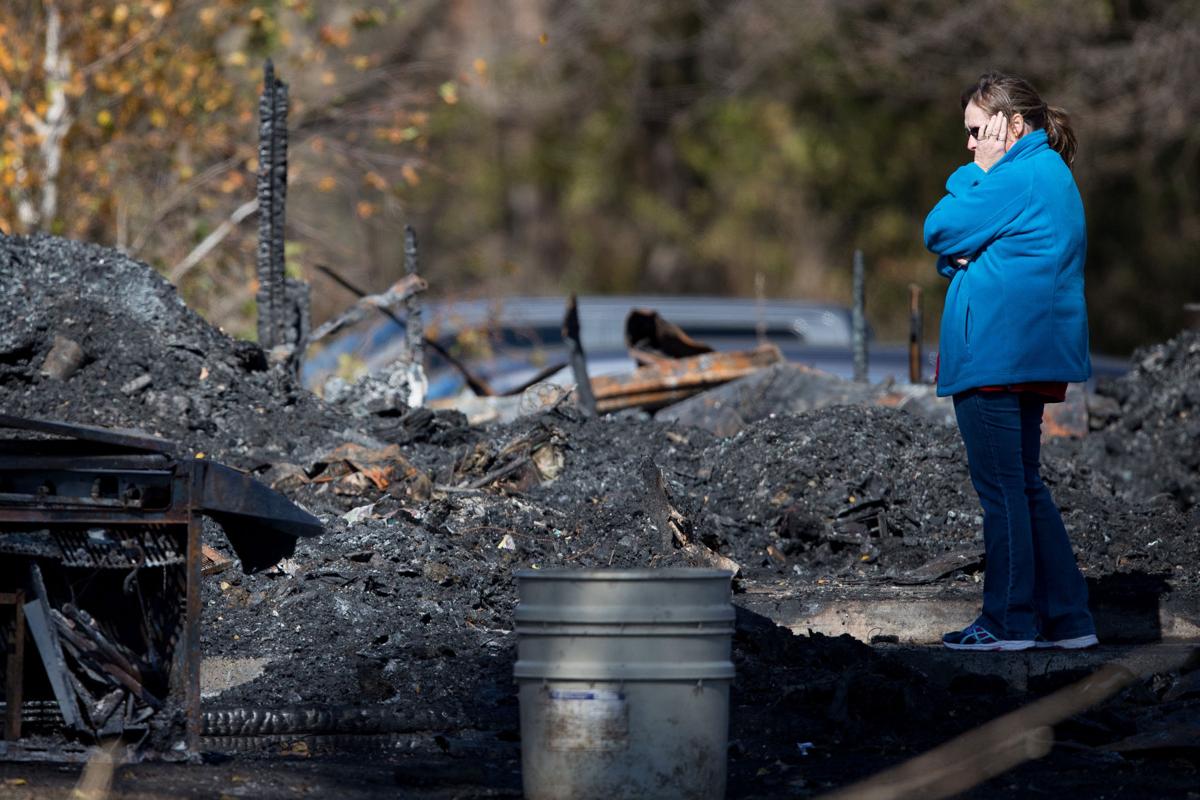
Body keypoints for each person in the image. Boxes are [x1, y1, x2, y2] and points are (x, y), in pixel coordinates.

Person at [923, 71, 1099, 652]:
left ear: (1010, 125)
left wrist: (980, 172)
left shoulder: (1016, 173)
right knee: (1022, 488)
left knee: (1002, 493)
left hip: (998, 357)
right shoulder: (1045, 173)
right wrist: (965, 255)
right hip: (1020, 355)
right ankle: (1070, 620)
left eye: (977, 131)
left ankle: (1009, 623)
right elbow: (965, 251)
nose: (970, 145)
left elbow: (940, 227)